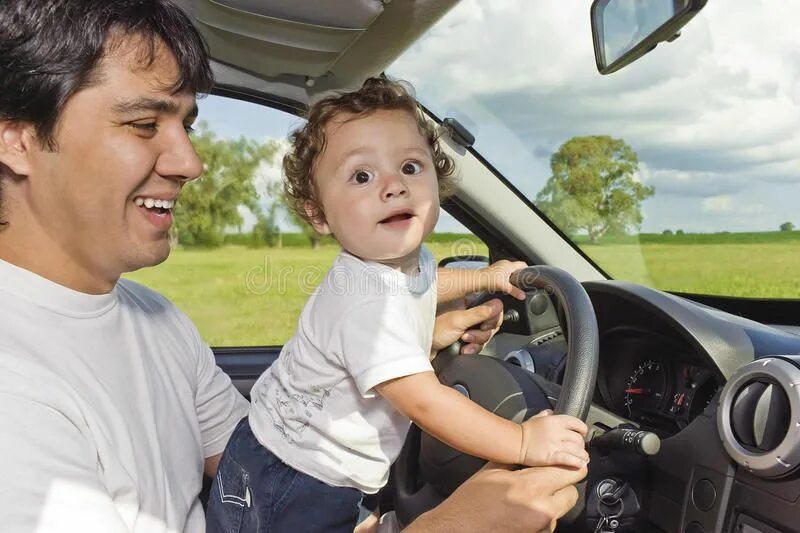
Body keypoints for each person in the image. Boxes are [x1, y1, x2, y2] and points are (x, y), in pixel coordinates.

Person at [0, 1, 585, 532]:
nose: (191, 162)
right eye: (144, 124)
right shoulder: (15, 394)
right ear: (17, 138)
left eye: (188, 126)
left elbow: (250, 460)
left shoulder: (154, 318)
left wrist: (409, 340)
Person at [205, 78, 589, 533]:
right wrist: (522, 441)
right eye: (362, 176)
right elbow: (426, 403)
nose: (393, 186)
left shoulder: (401, 263)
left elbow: (429, 283)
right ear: (319, 213)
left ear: (436, 176)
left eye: (410, 166)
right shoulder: (363, 301)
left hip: (283, 455)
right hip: (294, 477)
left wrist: (486, 277)